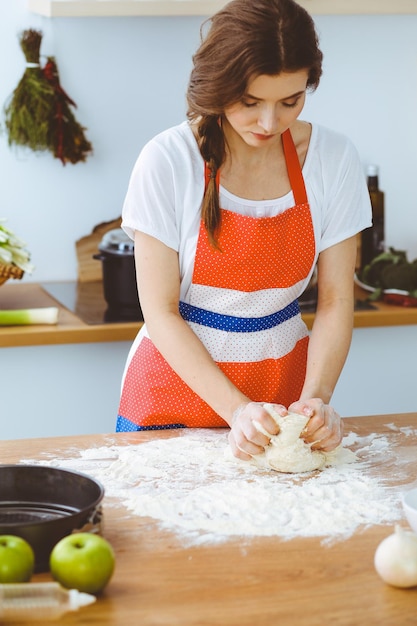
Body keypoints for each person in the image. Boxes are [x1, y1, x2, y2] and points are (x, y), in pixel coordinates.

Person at [116, 0, 372, 462]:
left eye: (290, 101)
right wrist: (236, 410)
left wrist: (317, 400)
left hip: (284, 389)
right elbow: (160, 310)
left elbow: (335, 299)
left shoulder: (333, 159)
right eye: (250, 103)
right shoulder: (168, 160)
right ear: (219, 87)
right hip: (176, 388)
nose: (270, 123)